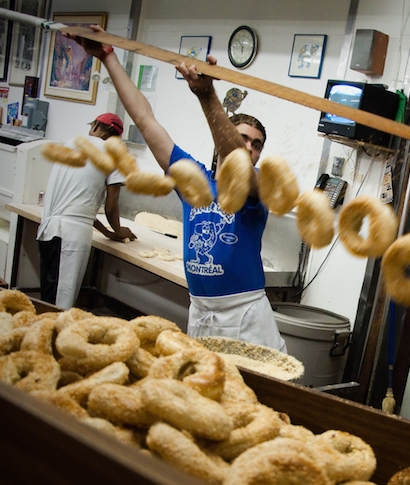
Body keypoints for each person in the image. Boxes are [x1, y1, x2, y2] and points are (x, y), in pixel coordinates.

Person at [71, 27, 286, 352]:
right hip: (200, 310)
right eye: (241, 138)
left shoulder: (257, 188)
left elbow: (238, 164)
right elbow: (144, 119)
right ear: (220, 137)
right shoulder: (194, 180)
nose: (249, 148)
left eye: (257, 145)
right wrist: (108, 57)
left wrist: (206, 96)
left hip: (246, 316)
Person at [37, 112, 137, 309]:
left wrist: (107, 233)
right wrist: (119, 231)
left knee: (47, 298)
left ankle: (39, 336)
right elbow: (110, 207)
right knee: (59, 307)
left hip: (49, 233)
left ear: (95, 127)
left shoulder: (71, 144)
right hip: (69, 240)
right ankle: (49, 339)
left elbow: (79, 208)